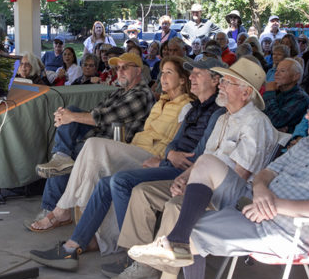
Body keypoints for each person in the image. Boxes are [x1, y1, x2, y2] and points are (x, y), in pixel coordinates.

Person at [127, 89, 309, 279]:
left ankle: (176, 245)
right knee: (205, 162)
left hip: (287, 229)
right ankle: (176, 241)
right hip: (255, 205)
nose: (307, 115)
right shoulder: (306, 145)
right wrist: (261, 192)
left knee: (188, 228)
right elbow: (266, 173)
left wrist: (273, 206)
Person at [113, 58, 278, 279]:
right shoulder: (222, 118)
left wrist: (192, 187)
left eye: (227, 82)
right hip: (202, 183)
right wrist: (183, 179)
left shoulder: (256, 123)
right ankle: (143, 265)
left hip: (228, 197)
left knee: (175, 206)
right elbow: (202, 160)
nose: (220, 84)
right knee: (142, 192)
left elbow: (239, 177)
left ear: (245, 92)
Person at [28, 56, 193, 264]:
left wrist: (164, 158)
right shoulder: (160, 101)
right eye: (162, 72)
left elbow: (179, 142)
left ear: (182, 80)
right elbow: (99, 113)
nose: (163, 76)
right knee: (90, 161)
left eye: (169, 72)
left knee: (91, 146)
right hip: (132, 148)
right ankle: (76, 243)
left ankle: (61, 209)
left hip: (149, 157)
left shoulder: (184, 106)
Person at [30, 53, 155, 225]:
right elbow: (95, 111)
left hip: (115, 146)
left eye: (125, 67)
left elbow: (106, 116)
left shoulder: (142, 94)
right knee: (65, 147)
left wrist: (71, 117)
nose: (120, 72)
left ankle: (54, 209)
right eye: (117, 68)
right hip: (97, 137)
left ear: (138, 70)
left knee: (72, 148)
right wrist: (68, 115)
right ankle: (60, 156)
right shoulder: (119, 92)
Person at [263, 58, 309, 133]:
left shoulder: (301, 98)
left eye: (282, 71)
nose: (276, 74)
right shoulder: (278, 91)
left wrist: (269, 93)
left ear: (296, 76)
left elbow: (276, 121)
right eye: (276, 70)